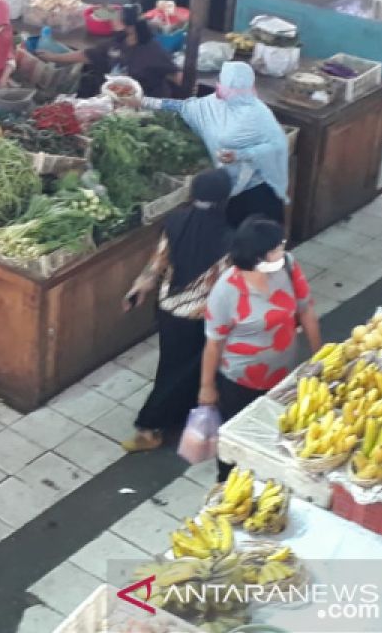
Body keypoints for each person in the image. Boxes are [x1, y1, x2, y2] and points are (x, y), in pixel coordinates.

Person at [121, 168, 234, 452]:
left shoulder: (176, 221)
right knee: (182, 374)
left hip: (168, 311)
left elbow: (157, 263)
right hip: (201, 318)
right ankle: (149, 425)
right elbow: (229, 284)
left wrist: (138, 289)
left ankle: (178, 415)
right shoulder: (229, 238)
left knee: (172, 367)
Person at [200, 216, 321, 481]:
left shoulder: (288, 266)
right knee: (236, 439)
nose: (283, 250)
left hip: (283, 375)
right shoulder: (226, 291)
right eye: (277, 246)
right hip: (240, 381)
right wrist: (207, 386)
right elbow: (213, 343)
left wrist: (319, 356)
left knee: (276, 432)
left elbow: (306, 310)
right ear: (259, 255)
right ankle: (228, 483)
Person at [128, 61, 288, 228]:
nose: (219, 86)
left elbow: (277, 146)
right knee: (237, 242)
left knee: (265, 238)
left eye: (225, 83)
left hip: (260, 190)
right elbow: (182, 107)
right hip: (229, 191)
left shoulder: (259, 114)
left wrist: (242, 155)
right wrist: (143, 102)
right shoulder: (212, 105)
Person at [37, 4, 180, 98]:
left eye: (116, 20)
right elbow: (85, 55)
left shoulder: (152, 51)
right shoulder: (119, 41)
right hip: (115, 98)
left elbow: (175, 74)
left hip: (143, 104)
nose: (112, 22)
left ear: (130, 28)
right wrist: (53, 57)